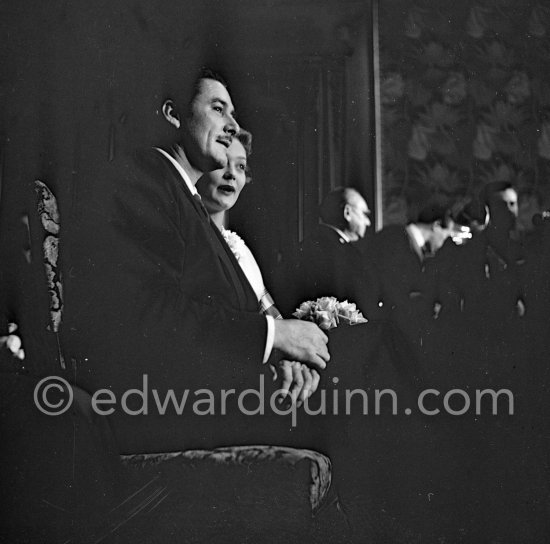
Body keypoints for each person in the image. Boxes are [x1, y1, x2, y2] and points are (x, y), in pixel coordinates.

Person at [196, 129, 320, 403]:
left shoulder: (240, 247)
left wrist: (293, 361)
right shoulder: (194, 245)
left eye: (240, 166)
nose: (231, 174)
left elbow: (272, 322)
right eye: (223, 163)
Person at [296, 187, 376, 316]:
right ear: (347, 212)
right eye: (364, 214)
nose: (368, 222)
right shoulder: (341, 252)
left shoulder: (310, 244)